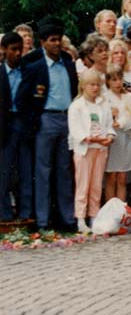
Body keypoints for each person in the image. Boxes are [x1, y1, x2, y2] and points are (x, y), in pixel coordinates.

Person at [18, 17, 79, 231]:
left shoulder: (67, 62)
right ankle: (43, 220)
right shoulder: (34, 65)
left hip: (66, 118)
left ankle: (67, 218)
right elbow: (23, 98)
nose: (56, 43)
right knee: (43, 170)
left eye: (58, 40)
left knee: (64, 169)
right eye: (52, 40)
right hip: (45, 119)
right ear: (43, 42)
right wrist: (32, 121)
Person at [67, 69, 115, 234]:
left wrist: (109, 136)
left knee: (96, 184)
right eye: (91, 85)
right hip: (85, 150)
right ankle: (80, 218)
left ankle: (94, 216)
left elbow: (109, 124)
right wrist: (93, 139)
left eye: (97, 85)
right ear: (84, 86)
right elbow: (76, 131)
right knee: (83, 184)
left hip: (100, 149)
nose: (95, 88)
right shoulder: (77, 106)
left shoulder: (103, 104)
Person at [0, 33, 30, 222]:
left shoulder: (27, 71)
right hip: (4, 125)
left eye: (20, 49)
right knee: (4, 171)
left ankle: (26, 213)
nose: (18, 53)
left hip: (23, 123)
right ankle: (4, 214)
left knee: (25, 171)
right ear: (4, 50)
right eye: (13, 50)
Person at [103, 66, 131, 205]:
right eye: (114, 79)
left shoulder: (128, 97)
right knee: (111, 176)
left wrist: (122, 123)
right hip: (112, 140)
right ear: (108, 82)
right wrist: (111, 117)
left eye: (119, 79)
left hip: (125, 139)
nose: (117, 83)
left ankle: (121, 212)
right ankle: (110, 211)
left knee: (122, 177)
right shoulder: (104, 98)